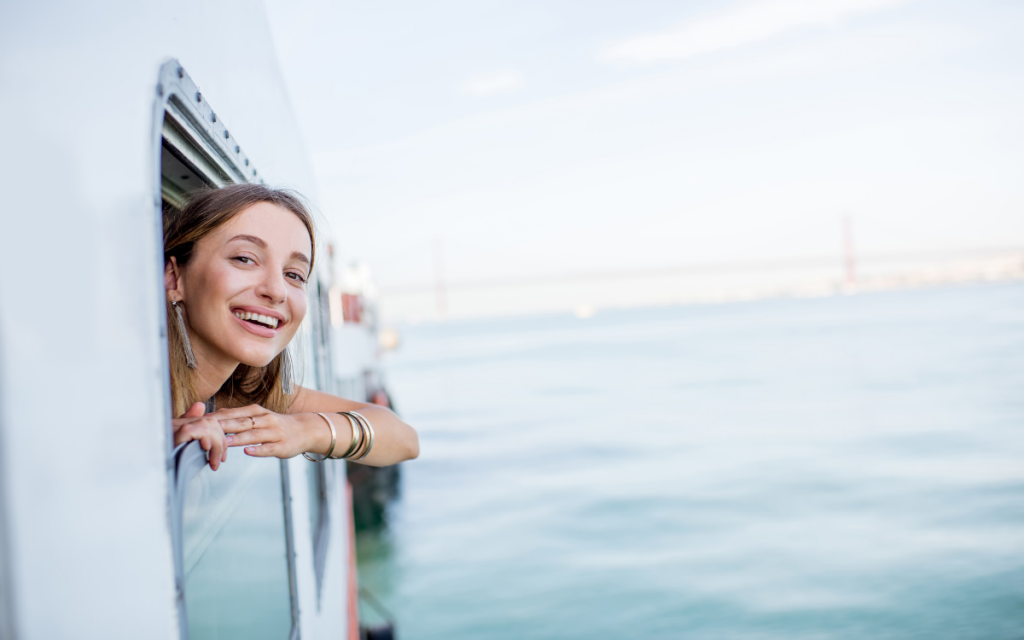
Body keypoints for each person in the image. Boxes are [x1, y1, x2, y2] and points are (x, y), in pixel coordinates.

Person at [163, 184, 419, 469]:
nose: (277, 290)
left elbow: (405, 439)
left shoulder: (248, 390)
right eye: (245, 259)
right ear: (175, 278)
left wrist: (306, 429)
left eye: (294, 275)